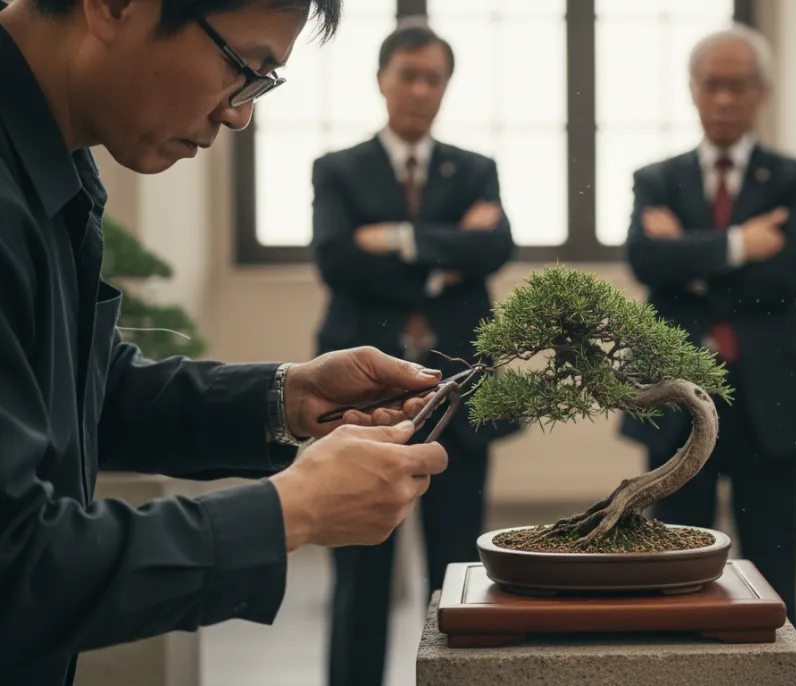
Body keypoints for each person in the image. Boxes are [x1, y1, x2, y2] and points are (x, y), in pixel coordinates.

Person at [0, 2, 453, 685]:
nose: (240, 113)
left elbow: (88, 391)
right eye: (245, 68)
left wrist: (288, 396)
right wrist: (289, 511)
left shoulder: (56, 162)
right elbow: (16, 566)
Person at [309, 19, 518, 686]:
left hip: (457, 386)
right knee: (360, 573)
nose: (421, 89)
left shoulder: (476, 168)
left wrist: (394, 240)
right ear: (381, 80)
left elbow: (494, 250)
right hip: (361, 396)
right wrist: (442, 250)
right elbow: (339, 260)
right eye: (409, 75)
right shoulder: (338, 169)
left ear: (446, 86)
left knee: (459, 570)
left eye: (434, 77)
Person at [620, 23, 796, 632]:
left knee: (775, 569)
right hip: (674, 396)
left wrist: (690, 256)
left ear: (762, 92)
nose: (723, 100)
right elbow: (645, 262)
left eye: (737, 87)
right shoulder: (657, 179)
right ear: (692, 89)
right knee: (669, 569)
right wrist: (743, 244)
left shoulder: (795, 179)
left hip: (772, 394)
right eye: (711, 85)